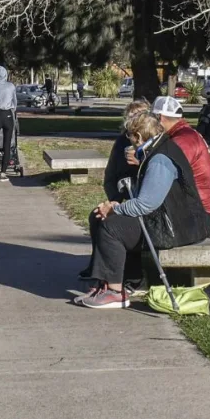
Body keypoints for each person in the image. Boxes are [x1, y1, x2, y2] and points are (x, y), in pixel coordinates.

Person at [78, 112, 210, 309]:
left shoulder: (160, 159)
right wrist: (115, 204)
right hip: (168, 218)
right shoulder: (157, 149)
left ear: (139, 137)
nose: (129, 143)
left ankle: (115, 292)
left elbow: (145, 204)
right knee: (99, 217)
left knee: (111, 227)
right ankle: (109, 281)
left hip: (177, 227)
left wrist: (115, 208)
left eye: (130, 138)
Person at [75, 98, 151, 282]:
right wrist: (114, 199)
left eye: (140, 117)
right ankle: (97, 266)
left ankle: (126, 275)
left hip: (141, 202)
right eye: (131, 118)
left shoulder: (152, 145)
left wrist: (141, 161)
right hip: (123, 196)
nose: (135, 122)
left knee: (114, 225)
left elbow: (152, 179)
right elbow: (111, 175)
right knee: (97, 216)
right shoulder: (121, 143)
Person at [150, 96, 210, 219]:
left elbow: (163, 173)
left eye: (152, 119)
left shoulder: (184, 139)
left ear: (160, 117)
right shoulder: (184, 134)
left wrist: (140, 160)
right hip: (194, 206)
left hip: (195, 212)